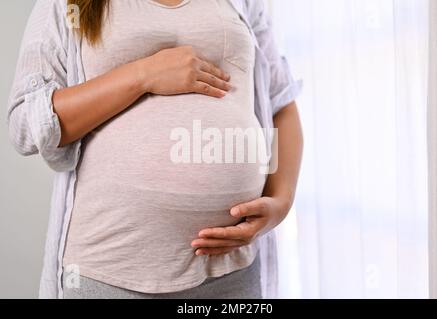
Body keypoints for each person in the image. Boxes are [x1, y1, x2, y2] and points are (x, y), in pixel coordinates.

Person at [7, 0, 303, 299]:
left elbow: (281, 102)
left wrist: (281, 201)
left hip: (232, 269)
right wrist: (142, 75)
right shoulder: (66, 4)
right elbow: (26, 125)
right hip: (111, 270)